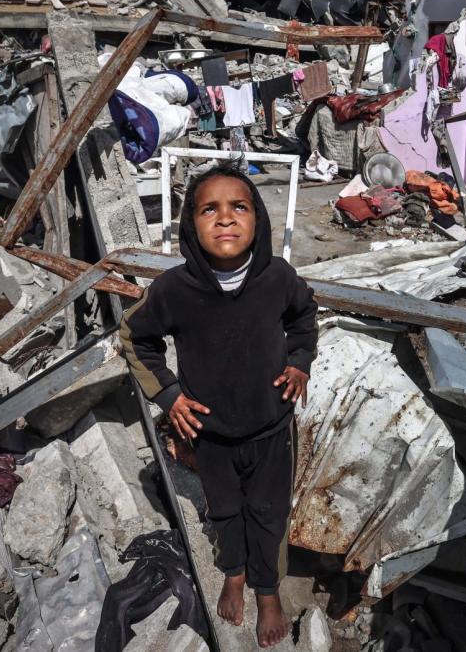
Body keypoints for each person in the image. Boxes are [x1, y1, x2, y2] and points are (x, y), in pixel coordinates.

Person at [120, 161, 318, 648]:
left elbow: (304, 317)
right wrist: (170, 397)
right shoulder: (172, 291)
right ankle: (233, 573)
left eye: (239, 207)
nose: (225, 218)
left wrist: (300, 362)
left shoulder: (277, 277)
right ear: (191, 224)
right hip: (210, 436)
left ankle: (267, 589)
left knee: (269, 512)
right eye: (210, 209)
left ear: (259, 220)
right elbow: (134, 338)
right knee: (226, 509)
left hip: (271, 429)